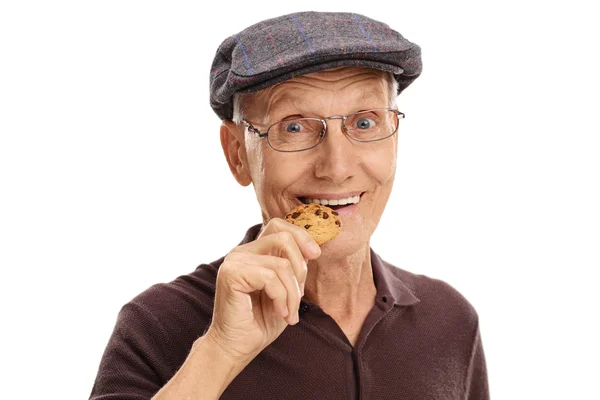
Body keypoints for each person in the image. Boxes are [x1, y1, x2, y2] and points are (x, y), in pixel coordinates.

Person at [90, 11, 489, 400]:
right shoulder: (157, 325)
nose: (337, 168)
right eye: (294, 126)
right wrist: (219, 353)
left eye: (365, 122)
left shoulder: (450, 320)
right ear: (237, 155)